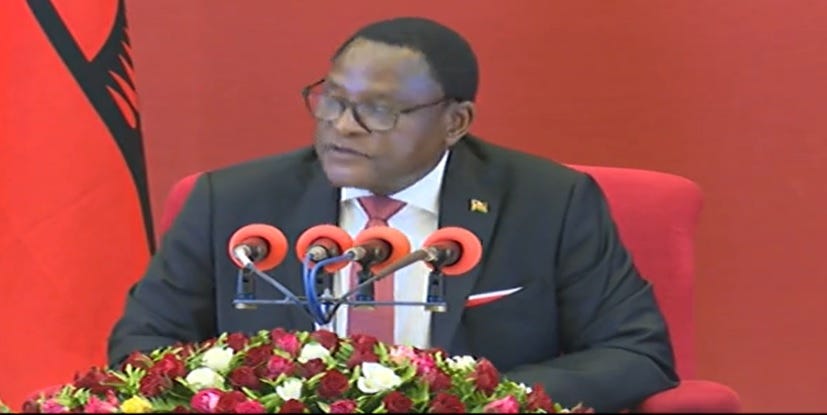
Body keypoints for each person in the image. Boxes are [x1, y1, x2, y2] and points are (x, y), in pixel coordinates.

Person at [108, 16, 678, 411]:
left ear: (455, 122)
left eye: (378, 110)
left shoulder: (549, 202)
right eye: (332, 99)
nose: (342, 125)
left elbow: (634, 353)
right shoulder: (232, 202)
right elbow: (144, 344)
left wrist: (480, 399)